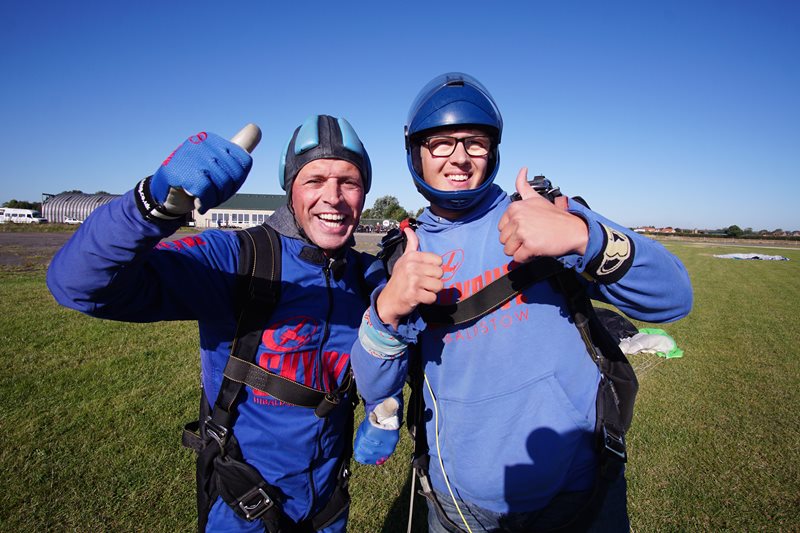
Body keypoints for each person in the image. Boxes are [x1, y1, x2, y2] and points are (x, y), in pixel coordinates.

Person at [351, 73, 693, 532]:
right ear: (417, 154)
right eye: (441, 143)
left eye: (475, 143)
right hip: (461, 506)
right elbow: (376, 388)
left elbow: (673, 298)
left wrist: (582, 238)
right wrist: (387, 312)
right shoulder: (402, 254)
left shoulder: (545, 213)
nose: (459, 157)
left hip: (582, 488)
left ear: (493, 151)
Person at [47, 115, 381, 532]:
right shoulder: (236, 257)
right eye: (314, 180)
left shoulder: (366, 276)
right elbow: (78, 283)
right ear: (290, 189)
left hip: (328, 506)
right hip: (244, 504)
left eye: (349, 182)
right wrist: (152, 205)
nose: (333, 197)